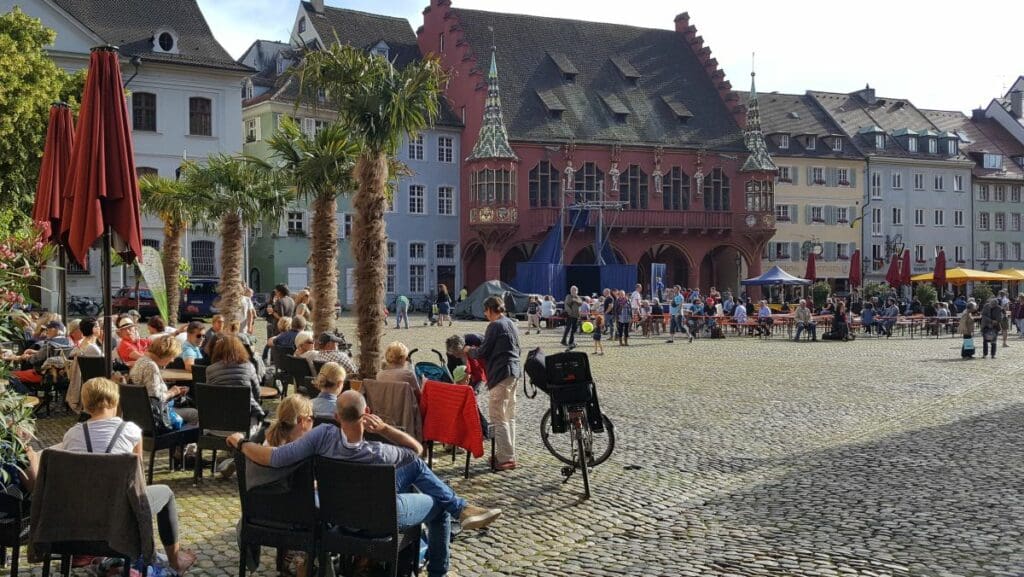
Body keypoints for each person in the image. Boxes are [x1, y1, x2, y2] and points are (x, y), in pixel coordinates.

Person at [227, 390, 501, 577]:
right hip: (381, 515)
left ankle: (460, 509)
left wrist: (241, 442)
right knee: (436, 502)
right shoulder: (380, 452)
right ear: (366, 413)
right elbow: (418, 451)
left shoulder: (322, 437)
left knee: (415, 481)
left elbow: (275, 457)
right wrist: (384, 429)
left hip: (340, 514)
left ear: (336, 417)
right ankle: (452, 527)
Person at [60, 377, 197, 575]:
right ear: (115, 401)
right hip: (121, 513)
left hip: (83, 513)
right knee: (166, 492)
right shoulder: (131, 431)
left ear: (86, 405)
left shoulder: (71, 434)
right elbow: (137, 477)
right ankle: (175, 561)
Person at [465, 296, 520, 470]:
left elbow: (483, 351)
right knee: (508, 415)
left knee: (498, 417)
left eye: (485, 311)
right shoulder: (510, 323)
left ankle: (505, 458)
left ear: (490, 309)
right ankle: (509, 453)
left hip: (501, 373)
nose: (485, 314)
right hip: (514, 372)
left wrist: (469, 351)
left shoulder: (495, 325)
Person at [129, 335, 197, 425]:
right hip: (154, 417)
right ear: (165, 354)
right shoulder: (151, 366)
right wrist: (172, 392)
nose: (172, 360)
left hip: (138, 413)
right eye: (172, 356)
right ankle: (181, 438)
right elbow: (155, 399)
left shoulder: (141, 361)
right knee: (194, 414)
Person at [205, 335, 267, 431]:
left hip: (216, 426)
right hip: (245, 427)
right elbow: (256, 394)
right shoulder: (249, 367)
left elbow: (210, 396)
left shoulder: (210, 370)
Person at [6, 320, 73, 392]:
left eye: (49, 329)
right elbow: (51, 354)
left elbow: (34, 360)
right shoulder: (68, 342)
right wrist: (35, 351)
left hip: (42, 375)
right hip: (58, 375)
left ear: (57, 330)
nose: (47, 331)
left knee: (8, 375)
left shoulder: (50, 344)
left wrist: (23, 357)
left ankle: (27, 394)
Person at [66, 317, 104, 414]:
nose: (100, 329)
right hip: (97, 382)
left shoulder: (82, 344)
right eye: (98, 326)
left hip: (85, 382)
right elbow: (103, 367)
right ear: (93, 329)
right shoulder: (92, 348)